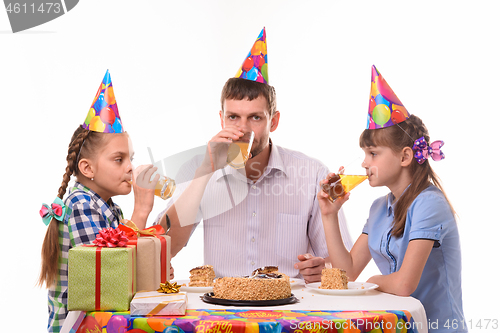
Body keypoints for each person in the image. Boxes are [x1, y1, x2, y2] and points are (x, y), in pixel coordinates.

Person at [155, 28, 352, 281]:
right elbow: (166, 247)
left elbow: (340, 268)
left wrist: (321, 269)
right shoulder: (200, 170)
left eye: (255, 118)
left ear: (274, 122)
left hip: (290, 307)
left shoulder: (312, 173)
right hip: (222, 307)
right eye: (233, 117)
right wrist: (204, 173)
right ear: (221, 119)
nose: (243, 129)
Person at [318, 65, 466, 333]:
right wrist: (329, 215)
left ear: (405, 157)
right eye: (364, 153)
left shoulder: (429, 204)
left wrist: (373, 281)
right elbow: (346, 274)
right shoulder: (379, 209)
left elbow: (403, 284)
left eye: (373, 153)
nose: (364, 163)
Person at [38, 71, 158, 333]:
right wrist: (141, 211)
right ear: (87, 168)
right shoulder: (81, 205)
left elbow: (127, 276)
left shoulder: (110, 208)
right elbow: (106, 283)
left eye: (131, 159)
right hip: (79, 327)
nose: (130, 168)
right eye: (119, 159)